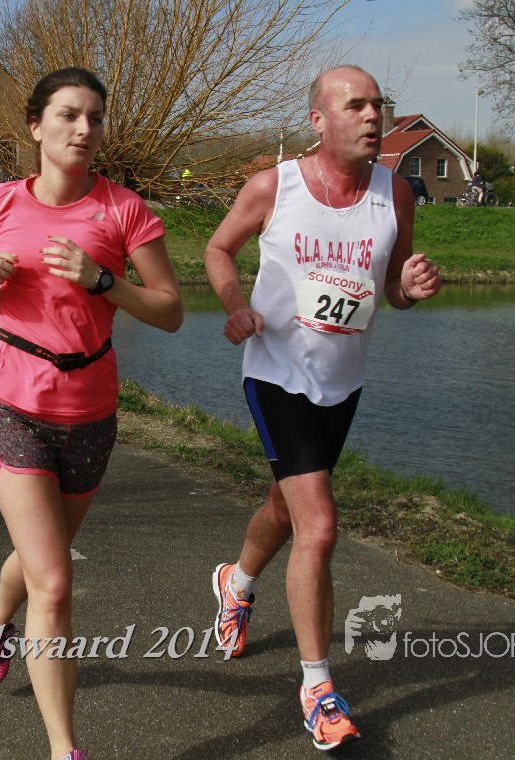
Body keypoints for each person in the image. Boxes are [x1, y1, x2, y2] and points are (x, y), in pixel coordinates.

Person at [0, 67, 183, 760]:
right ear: (36, 126)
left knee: (38, 561)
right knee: (57, 581)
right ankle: (65, 749)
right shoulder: (1, 202)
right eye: (69, 115)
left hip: (91, 411)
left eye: (95, 117)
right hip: (11, 402)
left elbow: (170, 311)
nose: (84, 129)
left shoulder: (125, 211)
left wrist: (105, 282)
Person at [202, 65, 441, 752]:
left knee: (287, 509)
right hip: (276, 374)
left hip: (343, 382)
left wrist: (412, 289)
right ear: (319, 119)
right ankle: (318, 688)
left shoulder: (395, 191)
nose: (373, 117)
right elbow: (218, 249)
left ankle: (236, 583)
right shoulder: (273, 187)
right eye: (356, 105)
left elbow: (391, 289)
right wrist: (236, 306)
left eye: (379, 106)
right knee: (322, 524)